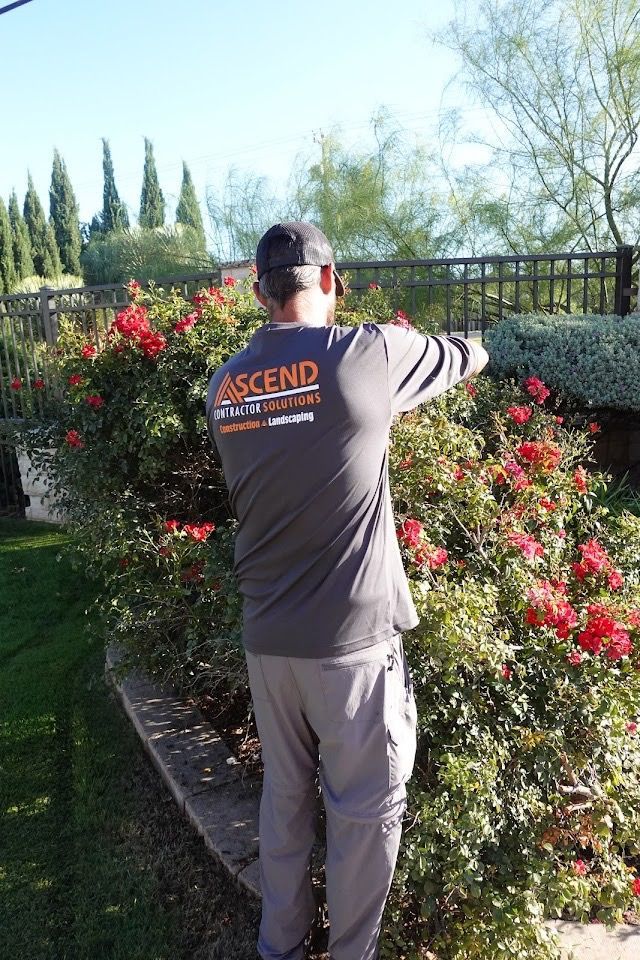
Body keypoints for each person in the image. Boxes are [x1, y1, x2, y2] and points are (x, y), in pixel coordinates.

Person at [205, 222, 489, 960]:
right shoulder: (367, 353)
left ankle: (280, 948)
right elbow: (467, 355)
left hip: (268, 642)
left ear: (259, 290)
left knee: (286, 800)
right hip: (351, 649)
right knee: (365, 813)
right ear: (330, 281)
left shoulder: (224, 385)